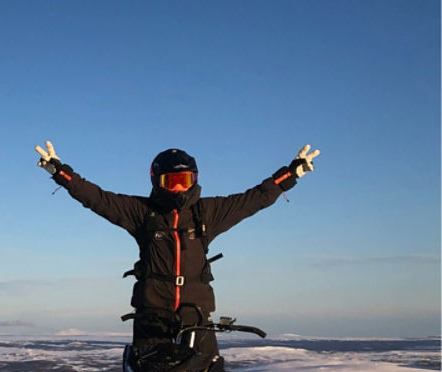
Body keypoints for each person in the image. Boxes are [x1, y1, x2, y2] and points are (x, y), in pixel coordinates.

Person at [34, 141, 319, 355]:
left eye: (185, 181)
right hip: (151, 313)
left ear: (194, 180)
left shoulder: (207, 212)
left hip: (195, 313)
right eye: (171, 182)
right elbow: (97, 198)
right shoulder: (141, 212)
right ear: (157, 182)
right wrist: (62, 173)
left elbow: (254, 198)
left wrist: (289, 175)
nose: (179, 189)